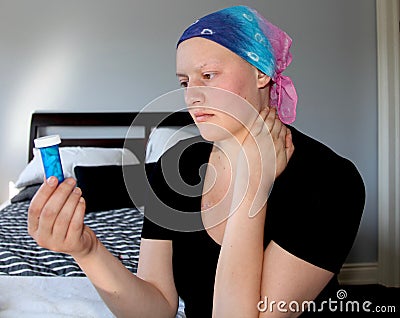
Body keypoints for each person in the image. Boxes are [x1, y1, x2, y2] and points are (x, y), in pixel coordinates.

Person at [28, 5, 365, 318]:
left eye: (208, 76)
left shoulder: (331, 181)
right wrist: (86, 250)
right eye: (184, 82)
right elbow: (156, 306)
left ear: (261, 71)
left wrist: (251, 192)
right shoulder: (179, 166)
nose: (192, 96)